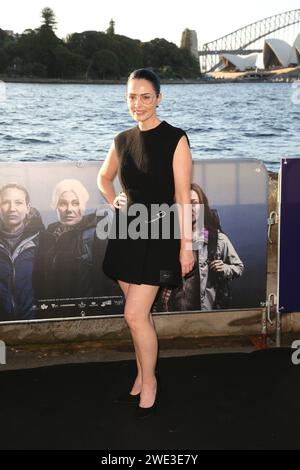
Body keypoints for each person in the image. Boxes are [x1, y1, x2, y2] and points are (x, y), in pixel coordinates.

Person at [97, 68, 193, 418]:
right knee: (139, 318)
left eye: (145, 96)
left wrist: (187, 246)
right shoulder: (121, 140)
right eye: (132, 97)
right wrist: (113, 200)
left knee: (134, 314)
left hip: (161, 236)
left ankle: (149, 383)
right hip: (127, 234)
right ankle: (141, 376)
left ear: (159, 99)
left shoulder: (175, 139)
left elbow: (183, 196)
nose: (138, 104)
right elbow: (103, 177)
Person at [155, 183, 244, 312]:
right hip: (170, 315)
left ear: (202, 206)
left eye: (194, 203)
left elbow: (239, 267)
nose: (188, 208)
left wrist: (224, 268)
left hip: (204, 315)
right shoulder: (165, 240)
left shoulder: (217, 240)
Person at [39, 178, 122, 316]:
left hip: (89, 314)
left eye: (75, 203)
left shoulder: (97, 234)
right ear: (55, 206)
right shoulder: (48, 235)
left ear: (83, 205)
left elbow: (109, 283)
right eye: (63, 203)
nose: (69, 210)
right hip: (57, 315)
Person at [0, 183, 45, 321]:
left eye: (18, 203)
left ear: (27, 208)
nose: (12, 208)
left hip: (35, 323)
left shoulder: (43, 241)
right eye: (5, 202)